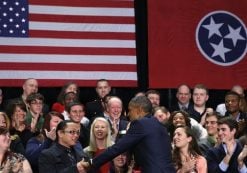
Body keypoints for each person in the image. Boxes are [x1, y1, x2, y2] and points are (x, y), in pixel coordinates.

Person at [81, 96, 176, 173]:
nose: (128, 114)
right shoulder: (160, 126)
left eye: (130, 110)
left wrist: (91, 162)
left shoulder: (140, 124)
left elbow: (118, 148)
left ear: (139, 110)